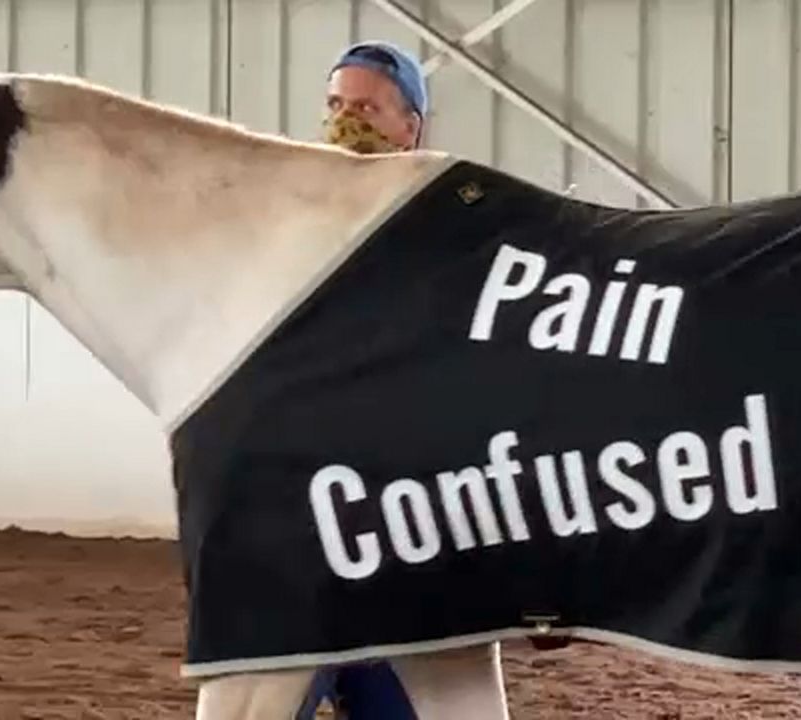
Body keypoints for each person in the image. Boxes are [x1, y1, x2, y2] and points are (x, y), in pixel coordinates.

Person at [295, 40, 430, 720]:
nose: (347, 121)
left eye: (368, 108)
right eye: (336, 106)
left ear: (410, 128)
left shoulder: (445, 237)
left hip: (405, 545)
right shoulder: (289, 228)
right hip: (299, 543)